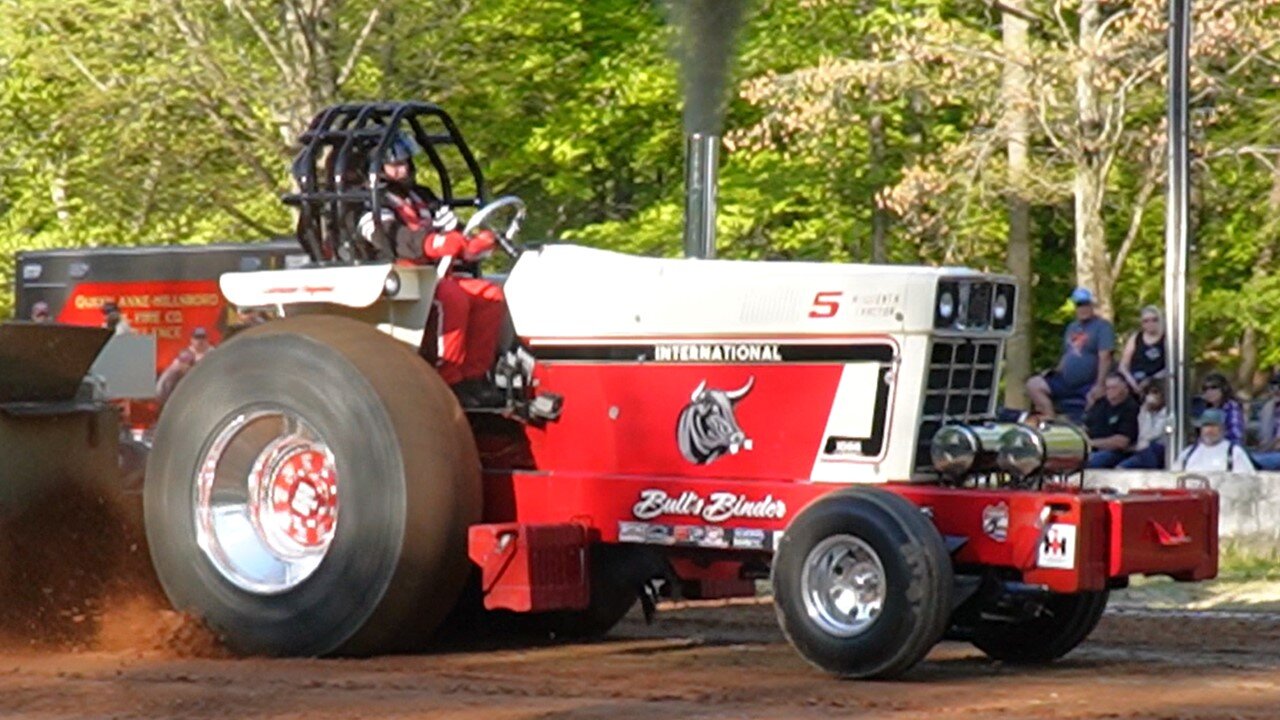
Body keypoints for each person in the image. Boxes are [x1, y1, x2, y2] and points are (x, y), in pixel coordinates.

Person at [358, 132, 506, 407]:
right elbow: (388, 237)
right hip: (402, 278)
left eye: (405, 161)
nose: (402, 168)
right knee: (452, 298)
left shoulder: (422, 196)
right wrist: (433, 244)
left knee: (489, 295)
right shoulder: (368, 203)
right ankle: (446, 380)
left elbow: (452, 232)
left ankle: (474, 377)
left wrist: (472, 245)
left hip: (435, 274)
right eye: (394, 163)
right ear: (376, 168)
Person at [1026, 287, 1116, 419]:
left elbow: (1105, 357)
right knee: (1033, 384)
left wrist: (1100, 384)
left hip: (1089, 383)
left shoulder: (1103, 326)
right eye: (1079, 305)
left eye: (1085, 304)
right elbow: (1067, 354)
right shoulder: (1072, 327)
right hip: (1065, 381)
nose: (1082, 308)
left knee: (1096, 401)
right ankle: (1050, 417)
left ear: (1091, 305)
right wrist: (1054, 371)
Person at [1083, 372, 1140, 468]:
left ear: (1125, 388)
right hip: (1090, 449)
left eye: (1114, 388)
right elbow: (1086, 425)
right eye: (1107, 388)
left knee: (1091, 461)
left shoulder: (1131, 408)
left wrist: (1091, 443)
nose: (1110, 391)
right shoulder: (1100, 404)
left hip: (1116, 452)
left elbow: (1122, 442)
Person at [1179, 408, 1254, 472]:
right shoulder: (1188, 454)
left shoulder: (1234, 453)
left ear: (1223, 428)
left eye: (1214, 426)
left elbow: (1247, 482)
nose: (1209, 430)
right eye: (1206, 425)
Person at [1117, 381, 1170, 469]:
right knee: (1120, 468)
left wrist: (1147, 412)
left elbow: (1152, 434)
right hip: (1142, 451)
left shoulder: (1166, 412)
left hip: (1158, 450)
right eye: (1148, 393)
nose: (1151, 397)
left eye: (1155, 393)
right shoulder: (1144, 410)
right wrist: (1145, 411)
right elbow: (1142, 434)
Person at [1118, 305, 1167, 393]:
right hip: (1134, 380)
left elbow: (1170, 367)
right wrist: (1132, 383)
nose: (1150, 323)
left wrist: (1151, 380)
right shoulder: (1136, 337)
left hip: (1157, 382)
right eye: (1146, 321)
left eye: (1154, 320)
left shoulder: (1167, 339)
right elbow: (1123, 366)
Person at [1198, 371, 1245, 445]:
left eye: (1214, 387)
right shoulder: (1204, 409)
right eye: (1205, 389)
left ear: (1224, 389)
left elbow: (1236, 434)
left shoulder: (1231, 406)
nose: (1209, 392)